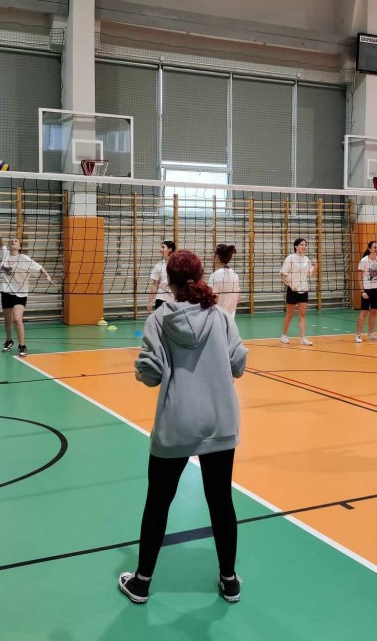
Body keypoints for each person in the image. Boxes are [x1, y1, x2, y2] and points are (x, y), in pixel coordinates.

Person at [120, 250, 249, 605]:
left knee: (158, 503)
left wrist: (140, 371)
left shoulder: (159, 319)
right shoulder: (221, 317)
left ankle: (142, 582)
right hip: (220, 421)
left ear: (169, 282)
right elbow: (238, 364)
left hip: (176, 424)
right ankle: (229, 580)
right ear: (201, 277)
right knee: (221, 502)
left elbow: (151, 373)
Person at [0, 233, 53, 357]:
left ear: (19, 247)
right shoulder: (5, 254)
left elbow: (39, 267)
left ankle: (22, 345)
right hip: (6, 292)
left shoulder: (24, 259)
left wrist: (47, 275)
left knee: (17, 319)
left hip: (20, 293)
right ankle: (9, 341)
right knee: (8, 320)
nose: (13, 241)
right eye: (11, 240)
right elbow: (1, 244)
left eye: (16, 241)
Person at [280, 238, 317, 346]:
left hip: (303, 289)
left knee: (302, 314)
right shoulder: (290, 258)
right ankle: (284, 335)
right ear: (296, 246)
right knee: (290, 314)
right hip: (292, 289)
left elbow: (311, 275)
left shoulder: (306, 259)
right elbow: (283, 274)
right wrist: (291, 285)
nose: (304, 246)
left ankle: (303, 338)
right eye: (301, 245)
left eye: (305, 245)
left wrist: (316, 265)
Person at [356, 240, 377, 343]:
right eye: (374, 247)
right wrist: (362, 291)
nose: (376, 249)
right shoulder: (364, 261)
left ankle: (371, 334)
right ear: (369, 249)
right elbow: (359, 277)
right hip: (367, 290)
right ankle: (358, 335)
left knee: (374, 312)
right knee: (363, 312)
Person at [210, 243, 241, 317]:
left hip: (217, 317)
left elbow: (211, 299)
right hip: (231, 318)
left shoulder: (215, 275)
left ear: (217, 257)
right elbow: (238, 299)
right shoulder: (235, 275)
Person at [147, 240, 176, 312]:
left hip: (174, 297)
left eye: (163, 247)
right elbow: (155, 285)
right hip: (161, 296)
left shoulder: (178, 264)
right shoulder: (158, 266)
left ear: (170, 249)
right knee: (160, 317)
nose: (160, 249)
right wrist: (150, 301)